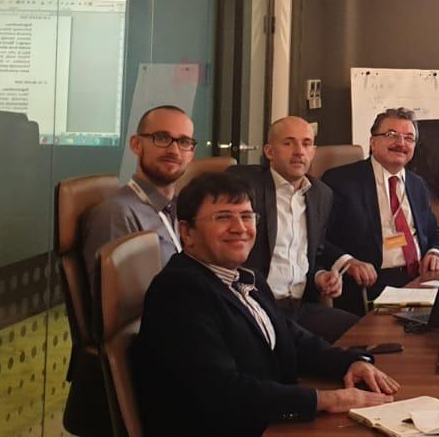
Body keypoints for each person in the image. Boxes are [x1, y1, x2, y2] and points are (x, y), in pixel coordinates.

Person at [133, 171, 400, 437]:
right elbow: (222, 391)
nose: (240, 228)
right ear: (186, 232)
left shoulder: (248, 278)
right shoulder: (179, 292)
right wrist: (325, 400)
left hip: (268, 422)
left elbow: (291, 339)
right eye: (223, 217)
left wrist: (348, 363)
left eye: (246, 216)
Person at [231, 116, 361, 342]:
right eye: (288, 143)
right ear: (269, 151)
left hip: (300, 307)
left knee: (362, 334)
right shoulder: (246, 185)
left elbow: (314, 253)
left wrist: (320, 277)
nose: (299, 151)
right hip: (255, 306)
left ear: (313, 151)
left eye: (306, 144)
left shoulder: (321, 194)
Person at [323, 107, 439, 310]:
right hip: (371, 284)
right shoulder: (341, 181)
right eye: (391, 135)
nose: (401, 143)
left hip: (419, 279)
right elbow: (320, 240)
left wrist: (435, 252)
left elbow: (434, 231)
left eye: (409, 138)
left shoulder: (417, 184)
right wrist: (349, 262)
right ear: (373, 142)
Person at [81, 105, 195, 301]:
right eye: (162, 138)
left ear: (191, 153)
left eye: (184, 142)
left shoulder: (180, 208)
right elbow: (117, 306)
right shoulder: (117, 214)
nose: (174, 150)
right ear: (136, 145)